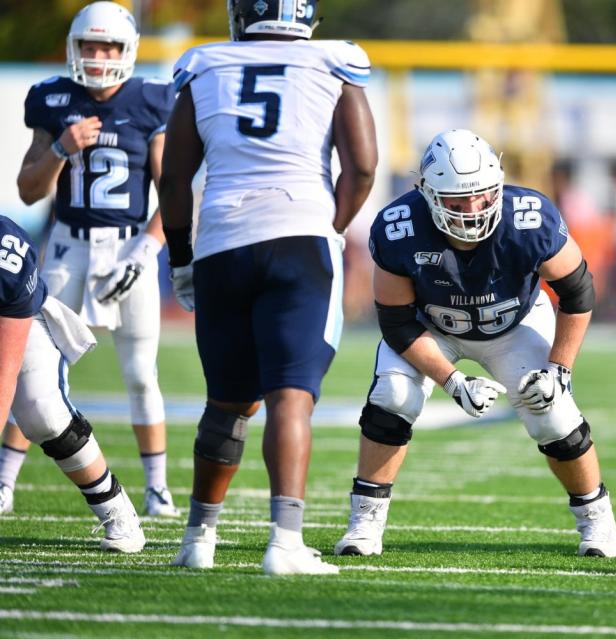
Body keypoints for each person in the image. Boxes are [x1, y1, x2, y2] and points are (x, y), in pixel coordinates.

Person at [159, 0, 377, 575]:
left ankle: (197, 539)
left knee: (226, 401)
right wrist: (329, 227)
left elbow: (174, 176)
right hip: (300, 232)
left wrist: (181, 257)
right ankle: (284, 541)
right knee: (289, 394)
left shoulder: (204, 66)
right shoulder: (334, 64)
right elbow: (363, 168)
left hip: (223, 240)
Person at [334, 129, 616, 559]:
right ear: (428, 194)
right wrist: (452, 382)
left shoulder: (529, 217)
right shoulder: (399, 227)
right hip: (431, 328)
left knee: (552, 412)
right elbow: (396, 324)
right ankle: (365, 525)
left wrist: (560, 371)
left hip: (514, 323)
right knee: (393, 395)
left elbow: (579, 293)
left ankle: (597, 523)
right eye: (456, 201)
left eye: (483, 196)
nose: (472, 210)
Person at [5, 1, 178, 519]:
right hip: (66, 246)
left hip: (128, 247)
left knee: (141, 374)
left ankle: (157, 489)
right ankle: (4, 482)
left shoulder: (152, 100)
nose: (99, 57)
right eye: (89, 46)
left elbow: (171, 191)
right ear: (73, 48)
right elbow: (28, 190)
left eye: (109, 47)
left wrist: (147, 249)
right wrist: (60, 147)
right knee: (29, 363)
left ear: (128, 51)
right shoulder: (53, 100)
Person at [0, 213, 144, 552]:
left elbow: (4, 376)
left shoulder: (8, 255)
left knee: (41, 411)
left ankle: (116, 511)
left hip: (14, 323)